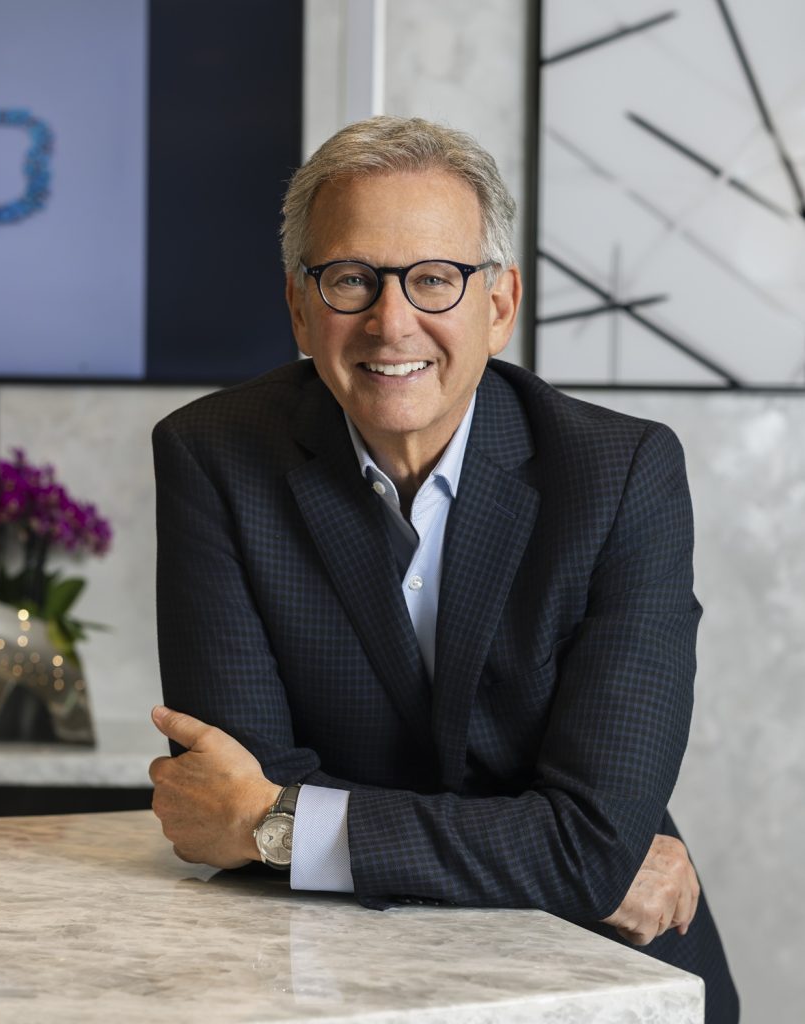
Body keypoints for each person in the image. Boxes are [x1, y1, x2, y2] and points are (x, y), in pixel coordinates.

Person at [149, 116, 738, 1022]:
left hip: (601, 969)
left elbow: (589, 841)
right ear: (301, 308)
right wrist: (558, 857)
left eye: (434, 279)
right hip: (329, 978)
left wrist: (282, 827)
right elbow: (242, 775)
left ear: (499, 304)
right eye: (351, 279)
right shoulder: (213, 457)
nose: (392, 323)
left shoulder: (623, 477)